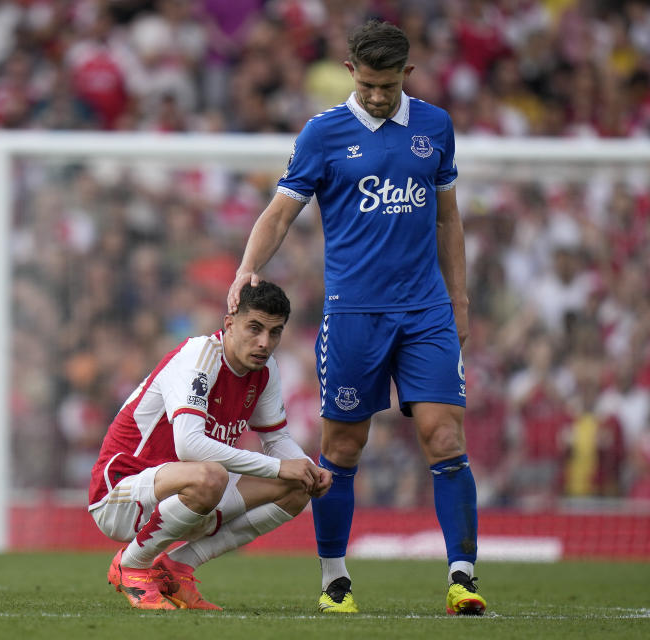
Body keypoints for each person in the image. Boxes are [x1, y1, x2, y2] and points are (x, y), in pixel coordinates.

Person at [226, 20, 486, 616]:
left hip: (425, 311)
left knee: (445, 435)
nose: (376, 95)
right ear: (350, 72)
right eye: (367, 84)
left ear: (407, 76)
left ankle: (462, 577)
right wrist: (246, 269)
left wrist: (460, 300)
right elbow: (280, 212)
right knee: (342, 448)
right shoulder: (323, 133)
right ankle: (335, 579)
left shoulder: (435, 126)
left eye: (388, 85)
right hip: (353, 316)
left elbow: (448, 220)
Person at [89, 281, 332, 610]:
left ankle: (176, 569)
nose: (264, 343)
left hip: (188, 494)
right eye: (255, 328)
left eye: (274, 333)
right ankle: (131, 565)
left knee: (297, 486)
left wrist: (306, 467)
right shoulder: (199, 357)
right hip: (122, 493)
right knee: (211, 475)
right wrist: (278, 466)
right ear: (229, 323)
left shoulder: (265, 369)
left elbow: (276, 439)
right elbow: (189, 446)